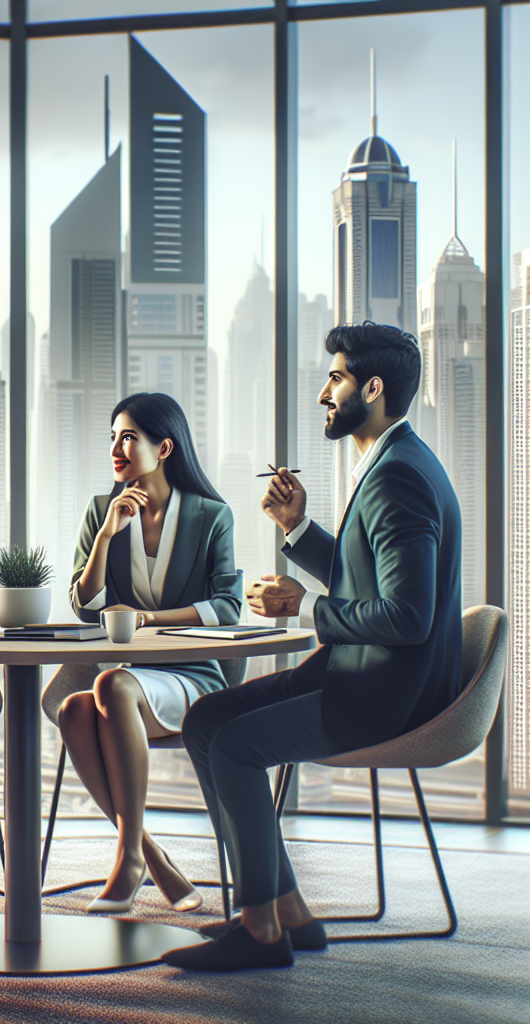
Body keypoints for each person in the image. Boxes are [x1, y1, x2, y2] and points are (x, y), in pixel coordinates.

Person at [162, 321, 462, 972]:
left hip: (381, 694)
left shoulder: (397, 479)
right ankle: (289, 912)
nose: (324, 392)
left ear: (372, 388)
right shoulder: (392, 461)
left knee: (235, 748)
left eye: (337, 377)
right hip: (357, 672)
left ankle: (259, 929)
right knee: (207, 718)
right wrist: (297, 528)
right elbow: (372, 581)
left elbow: (408, 617)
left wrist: (309, 607)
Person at [41, 392, 242, 915]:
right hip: (133, 683)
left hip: (193, 679)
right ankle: (149, 858)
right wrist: (108, 536)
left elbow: (228, 606)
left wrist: (152, 619)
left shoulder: (211, 516)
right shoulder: (101, 512)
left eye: (129, 436)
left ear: (165, 447)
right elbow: (86, 608)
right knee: (73, 709)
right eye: (113, 436)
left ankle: (129, 858)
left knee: (108, 685)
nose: (117, 446)